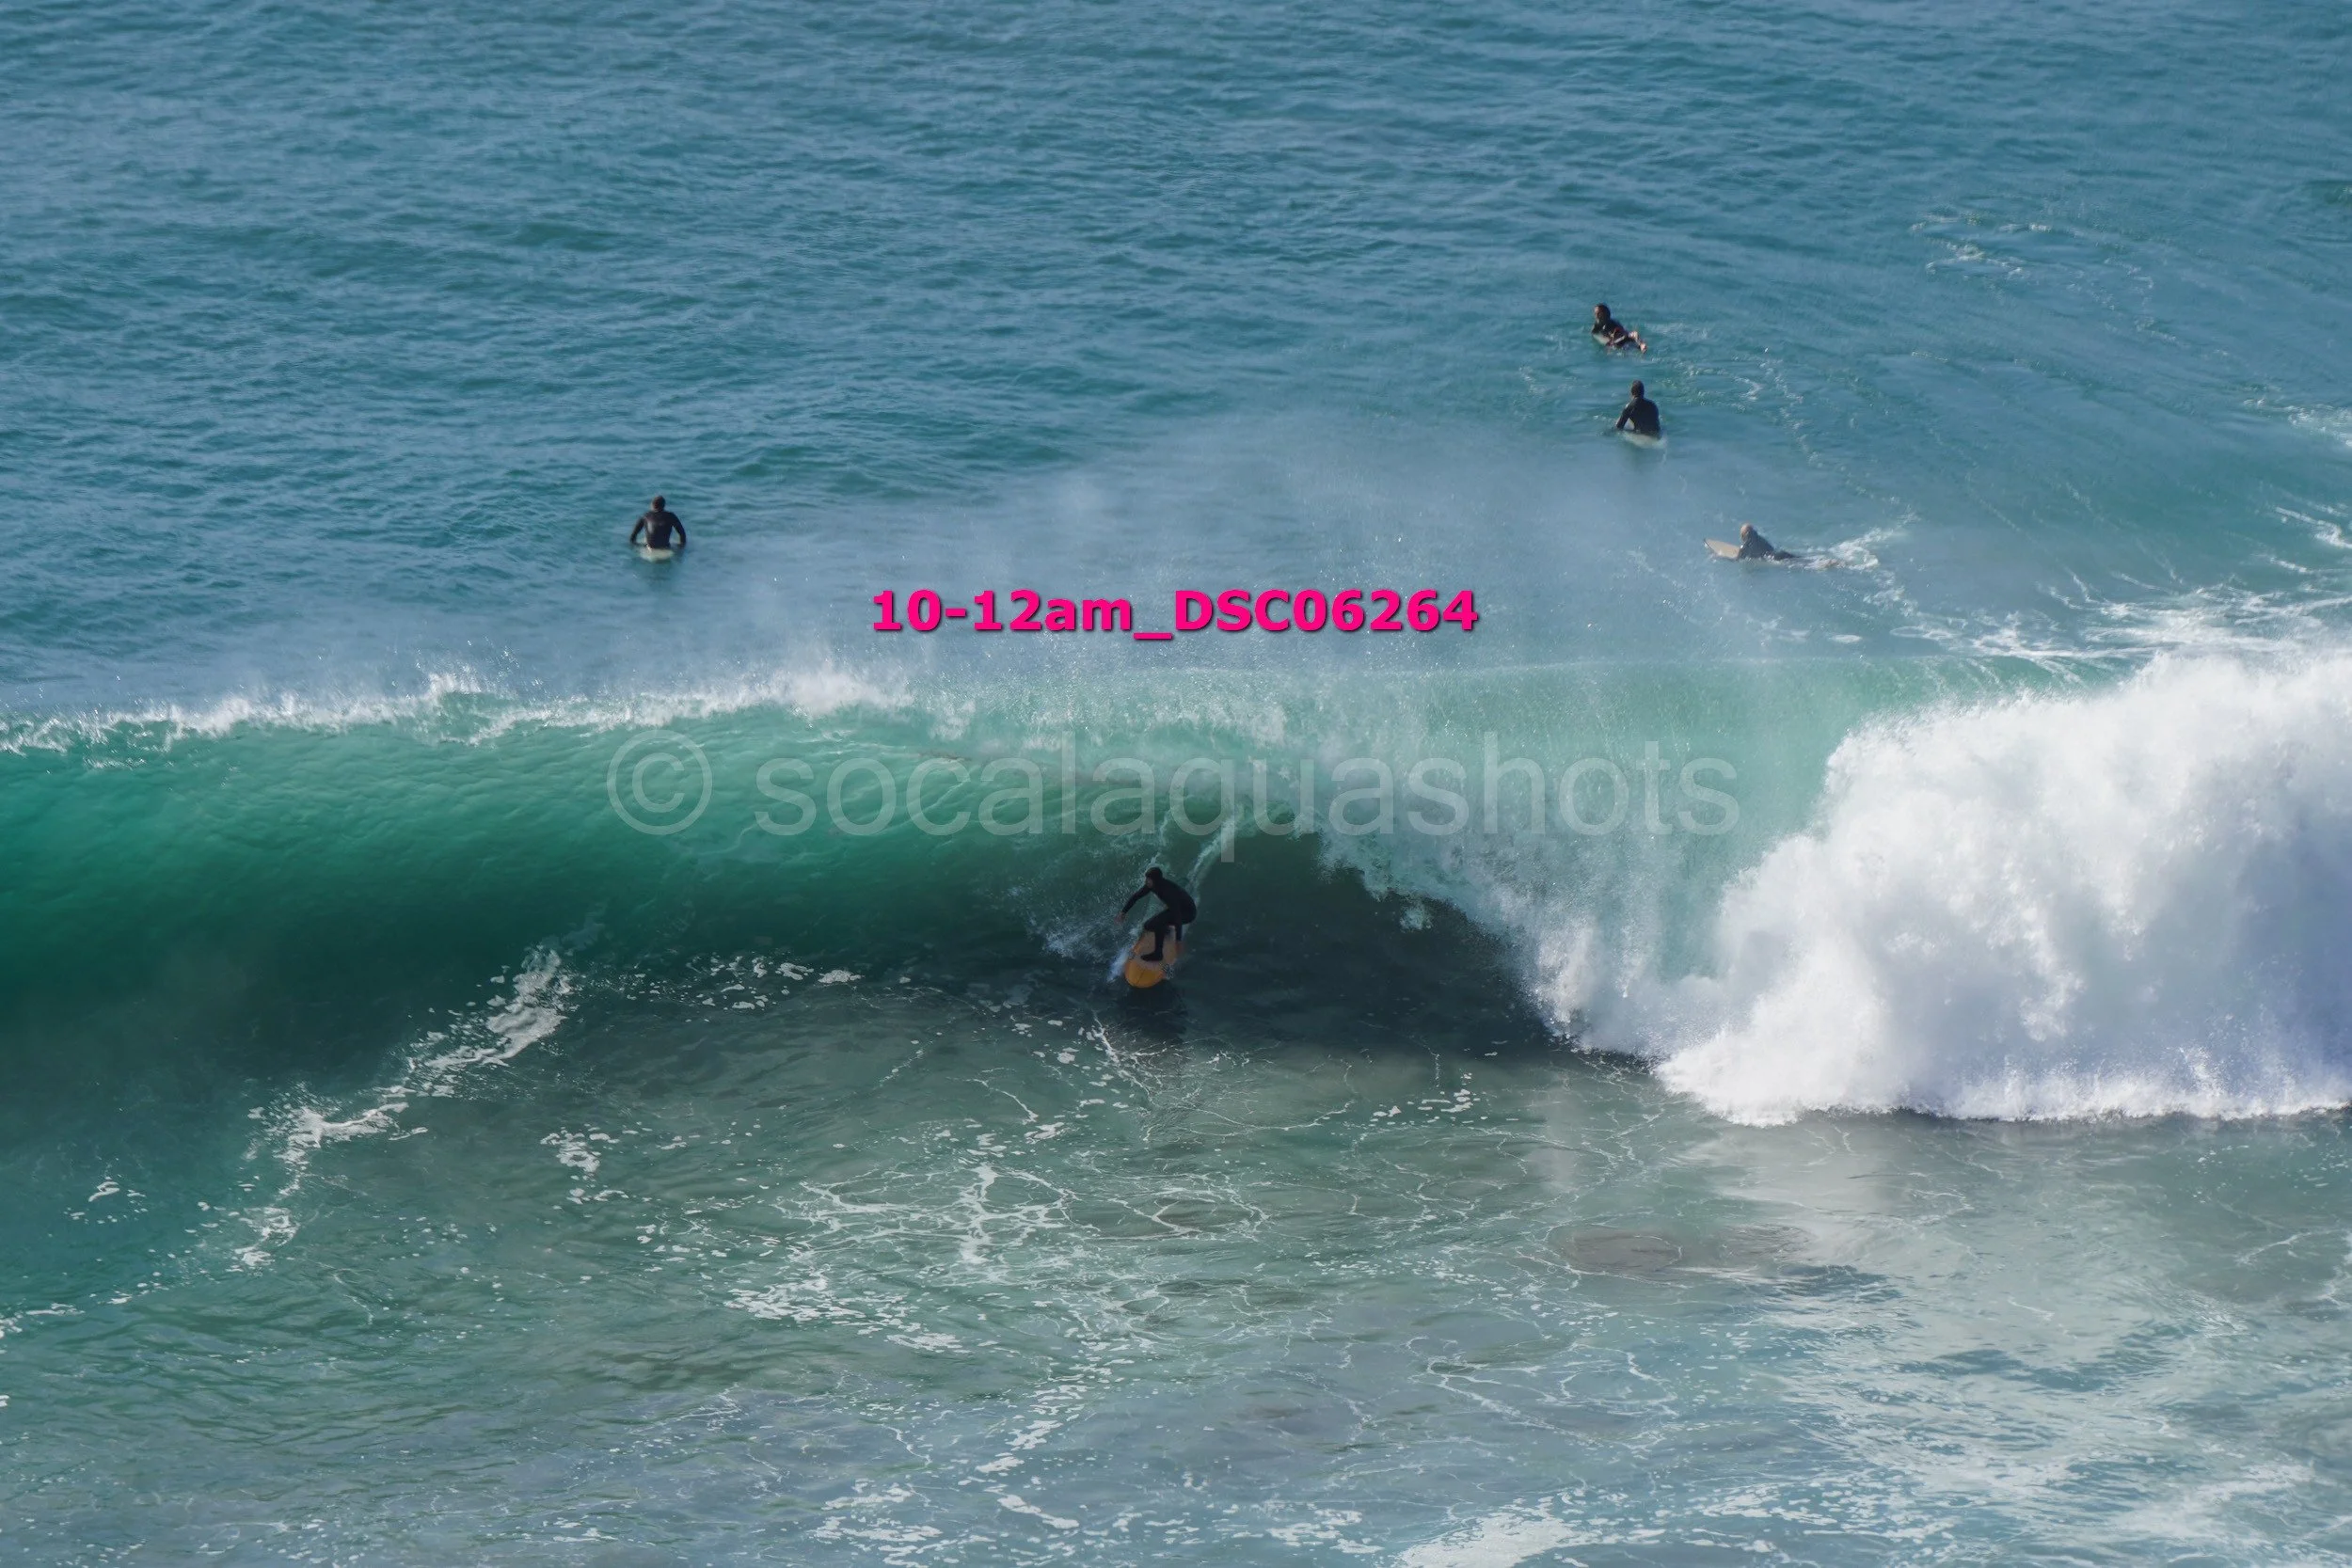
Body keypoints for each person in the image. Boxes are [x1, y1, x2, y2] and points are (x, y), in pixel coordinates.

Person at [1120, 866, 1197, 964]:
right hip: (1177, 909)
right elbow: (1136, 896)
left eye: (1148, 879)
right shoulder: (1152, 885)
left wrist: (1178, 940)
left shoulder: (1167, 891)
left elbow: (1177, 916)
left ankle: (1158, 954)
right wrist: (1123, 912)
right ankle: (1165, 930)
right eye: (1146, 879)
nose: (1146, 881)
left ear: (1155, 880)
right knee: (1148, 925)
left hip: (1187, 913)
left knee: (1157, 923)